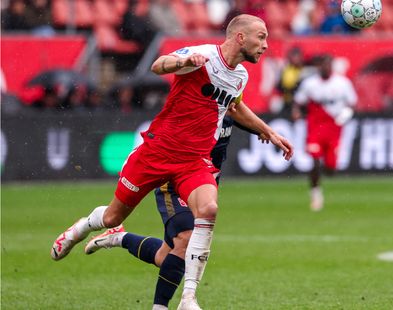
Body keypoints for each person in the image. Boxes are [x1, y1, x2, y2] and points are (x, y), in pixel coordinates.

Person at [50, 14, 294, 310]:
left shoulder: (240, 75)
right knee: (113, 217)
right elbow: (158, 64)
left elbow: (234, 106)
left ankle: (188, 298)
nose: (266, 45)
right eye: (261, 37)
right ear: (240, 37)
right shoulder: (203, 55)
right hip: (156, 154)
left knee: (209, 210)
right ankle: (84, 227)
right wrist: (180, 63)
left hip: (194, 161)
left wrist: (269, 132)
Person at [83, 116, 263, 309]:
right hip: (175, 179)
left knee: (165, 257)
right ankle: (169, 304)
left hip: (202, 183)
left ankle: (118, 238)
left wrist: (266, 131)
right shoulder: (195, 102)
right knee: (186, 239)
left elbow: (237, 108)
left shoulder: (228, 100)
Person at [292, 54, 357, 211]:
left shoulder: (343, 83)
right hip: (315, 127)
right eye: (323, 65)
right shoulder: (310, 84)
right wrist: (296, 112)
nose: (325, 68)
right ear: (319, 67)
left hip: (334, 128)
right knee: (314, 160)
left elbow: (353, 103)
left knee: (331, 168)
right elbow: (298, 101)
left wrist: (346, 114)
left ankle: (326, 172)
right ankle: (315, 193)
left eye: (328, 65)